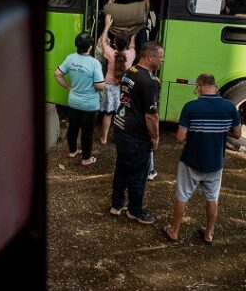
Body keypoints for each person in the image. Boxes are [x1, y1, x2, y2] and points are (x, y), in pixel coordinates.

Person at [162, 73, 242, 245]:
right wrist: (219, 130)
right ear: (215, 86)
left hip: (191, 160)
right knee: (212, 198)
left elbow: (180, 137)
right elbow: (237, 133)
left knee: (182, 196)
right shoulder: (229, 107)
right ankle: (209, 233)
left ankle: (174, 231)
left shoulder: (191, 106)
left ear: (199, 86)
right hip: (215, 162)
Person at [110, 41, 164, 224]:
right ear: (150, 58)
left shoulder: (130, 72)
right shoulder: (149, 82)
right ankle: (135, 210)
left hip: (120, 127)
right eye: (160, 57)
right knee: (138, 175)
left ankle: (116, 204)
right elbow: (151, 116)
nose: (162, 60)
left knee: (122, 168)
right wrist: (155, 137)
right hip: (136, 135)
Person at [55, 32, 106, 165]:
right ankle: (86, 158)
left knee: (73, 128)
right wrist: (106, 83)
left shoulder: (70, 58)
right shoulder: (94, 63)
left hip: (73, 102)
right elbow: (99, 86)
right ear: (90, 47)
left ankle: (72, 151)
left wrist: (67, 87)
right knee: (87, 133)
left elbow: (58, 74)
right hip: (89, 105)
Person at [97, 14, 135, 145]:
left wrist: (107, 26)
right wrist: (133, 34)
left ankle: (104, 138)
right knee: (121, 114)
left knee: (108, 114)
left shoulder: (110, 53)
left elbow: (102, 41)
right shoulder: (130, 55)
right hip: (123, 88)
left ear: (114, 43)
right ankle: (118, 137)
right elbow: (133, 46)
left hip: (109, 87)